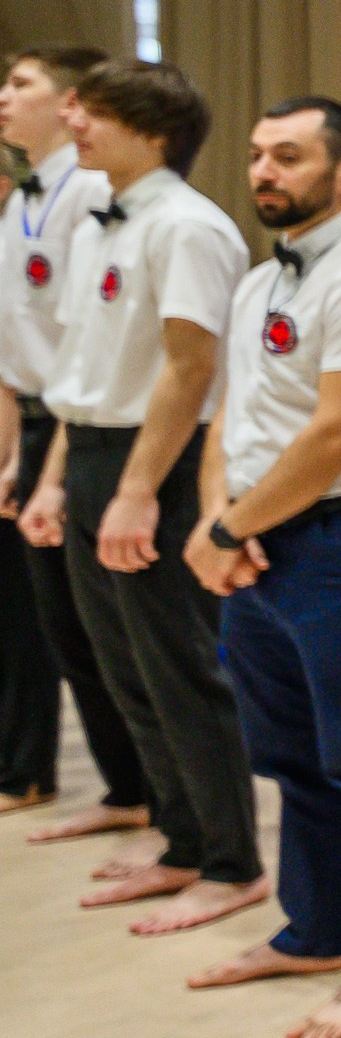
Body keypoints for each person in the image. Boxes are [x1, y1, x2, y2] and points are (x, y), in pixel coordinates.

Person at [181, 97, 341, 1038]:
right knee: (292, 755)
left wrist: (230, 526)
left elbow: (340, 431)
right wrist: (221, 521)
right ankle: (315, 928)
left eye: (288, 156)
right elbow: (231, 417)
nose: (263, 171)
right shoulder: (258, 282)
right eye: (256, 155)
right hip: (255, 538)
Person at [17, 59, 267, 933]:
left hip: (151, 457)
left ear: (153, 132)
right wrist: (52, 480)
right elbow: (78, 369)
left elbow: (191, 364)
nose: (76, 122)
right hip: (85, 448)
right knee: (122, 663)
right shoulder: (95, 220)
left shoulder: (188, 225)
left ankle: (232, 860)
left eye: (98, 113)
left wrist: (135, 490)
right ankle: (181, 836)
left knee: (180, 666)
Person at [0, 44, 152, 843]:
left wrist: (40, 454)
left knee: (107, 629)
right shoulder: (24, 197)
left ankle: (158, 793)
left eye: (19, 83)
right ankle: (123, 784)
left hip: (83, 421)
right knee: (61, 621)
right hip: (36, 416)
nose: (3, 96)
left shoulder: (93, 192)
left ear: (66, 103)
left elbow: (91, 339)